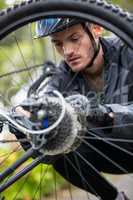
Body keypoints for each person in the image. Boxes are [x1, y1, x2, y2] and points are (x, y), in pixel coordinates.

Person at [11, 17, 133, 200]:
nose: (67, 51)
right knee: (55, 133)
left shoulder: (128, 49)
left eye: (74, 39)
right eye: (58, 44)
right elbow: (46, 105)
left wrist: (105, 114)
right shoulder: (62, 77)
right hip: (114, 156)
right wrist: (28, 123)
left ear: (97, 29)